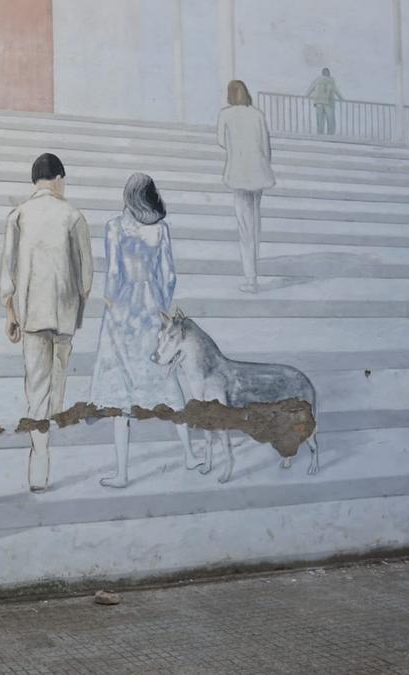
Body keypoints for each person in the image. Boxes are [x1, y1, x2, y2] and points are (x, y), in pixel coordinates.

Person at [89, 173, 207, 488]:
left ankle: (123, 473)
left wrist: (112, 302)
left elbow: (113, 275)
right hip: (152, 309)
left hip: (122, 315)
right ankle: (189, 454)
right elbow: (168, 276)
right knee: (168, 383)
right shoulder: (161, 230)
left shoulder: (114, 228)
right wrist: (159, 303)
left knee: (122, 392)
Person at [0, 152, 93, 493]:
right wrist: (77, 308)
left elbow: (7, 270)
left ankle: (39, 460)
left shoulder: (18, 215)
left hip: (32, 314)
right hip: (65, 316)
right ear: (57, 179)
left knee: (36, 387)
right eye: (63, 180)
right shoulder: (74, 216)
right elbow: (86, 278)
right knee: (57, 384)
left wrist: (11, 312)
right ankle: (48, 428)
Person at [216, 80, 276, 294]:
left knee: (245, 227)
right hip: (258, 172)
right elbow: (267, 146)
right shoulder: (258, 114)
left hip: (238, 173)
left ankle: (251, 279)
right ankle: (254, 270)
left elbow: (221, 141)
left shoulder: (225, 114)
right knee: (255, 224)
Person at [306, 67, 344, 135]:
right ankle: (330, 134)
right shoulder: (331, 80)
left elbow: (311, 88)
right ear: (328, 73)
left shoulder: (317, 79)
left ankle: (320, 133)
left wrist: (306, 96)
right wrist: (342, 99)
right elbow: (336, 90)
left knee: (320, 119)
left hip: (318, 101)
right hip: (328, 102)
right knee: (330, 119)